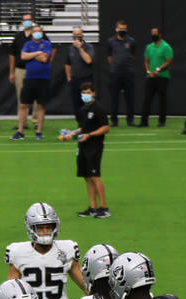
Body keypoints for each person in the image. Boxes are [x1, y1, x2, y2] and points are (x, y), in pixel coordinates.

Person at [68, 83, 110, 218]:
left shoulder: (99, 109)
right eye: (83, 92)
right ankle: (93, 207)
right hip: (82, 146)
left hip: (95, 146)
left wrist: (90, 135)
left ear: (93, 93)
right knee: (86, 177)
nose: (86, 95)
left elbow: (106, 128)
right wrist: (71, 133)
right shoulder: (82, 110)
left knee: (95, 176)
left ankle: (104, 208)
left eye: (88, 92)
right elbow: (83, 128)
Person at [13, 24, 54, 141]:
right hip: (30, 78)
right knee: (23, 105)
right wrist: (37, 53)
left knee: (41, 105)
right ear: (31, 33)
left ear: (42, 32)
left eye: (39, 31)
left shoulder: (47, 43)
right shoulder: (27, 44)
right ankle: (20, 131)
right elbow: (23, 56)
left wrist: (31, 55)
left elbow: (45, 58)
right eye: (35, 31)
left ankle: (39, 132)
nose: (37, 33)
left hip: (43, 79)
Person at [105, 20, 137, 126]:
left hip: (128, 73)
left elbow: (133, 56)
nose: (122, 30)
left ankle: (130, 120)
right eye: (120, 28)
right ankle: (114, 120)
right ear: (116, 29)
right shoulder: (111, 41)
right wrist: (116, 65)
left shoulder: (131, 41)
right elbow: (109, 57)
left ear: (126, 29)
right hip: (115, 73)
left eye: (124, 28)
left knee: (130, 97)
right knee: (114, 97)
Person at [140, 28, 172, 127]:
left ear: (160, 35)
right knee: (147, 99)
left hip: (163, 77)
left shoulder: (166, 47)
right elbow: (146, 60)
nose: (153, 35)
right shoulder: (149, 47)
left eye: (155, 34)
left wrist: (158, 70)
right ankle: (144, 122)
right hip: (150, 77)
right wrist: (149, 72)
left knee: (162, 99)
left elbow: (169, 61)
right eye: (152, 34)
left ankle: (162, 121)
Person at [9, 13, 35, 128]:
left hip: (34, 69)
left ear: (32, 20)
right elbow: (12, 55)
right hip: (20, 69)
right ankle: (22, 122)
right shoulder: (18, 36)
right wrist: (11, 72)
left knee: (35, 95)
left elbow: (51, 48)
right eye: (25, 20)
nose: (27, 22)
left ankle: (36, 121)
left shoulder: (37, 34)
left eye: (29, 20)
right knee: (21, 96)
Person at [66, 26, 96, 116]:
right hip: (75, 79)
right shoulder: (70, 48)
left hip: (86, 79)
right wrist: (68, 77)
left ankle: (90, 121)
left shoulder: (89, 47)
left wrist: (80, 48)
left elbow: (88, 60)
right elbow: (67, 64)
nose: (77, 36)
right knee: (76, 103)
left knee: (88, 101)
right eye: (75, 35)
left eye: (79, 34)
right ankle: (80, 122)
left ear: (82, 35)